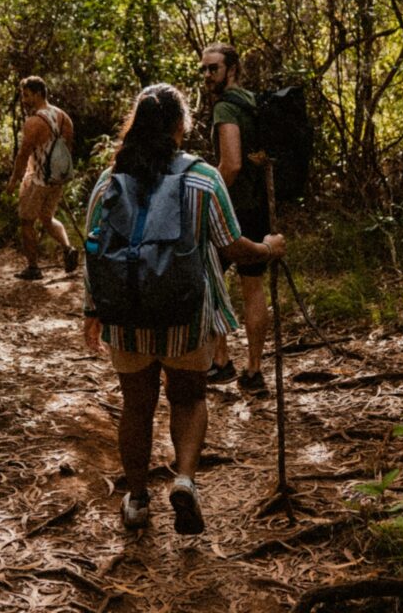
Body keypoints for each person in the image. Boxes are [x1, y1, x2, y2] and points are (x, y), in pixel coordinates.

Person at [83, 84, 286, 534]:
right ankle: (185, 480)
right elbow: (234, 247)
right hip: (186, 317)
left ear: (135, 124)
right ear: (181, 125)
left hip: (128, 318)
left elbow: (92, 251)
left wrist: (91, 310)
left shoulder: (108, 180)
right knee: (189, 396)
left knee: (136, 405)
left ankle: (136, 501)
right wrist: (270, 249)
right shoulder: (203, 177)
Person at [200, 43, 272, 396]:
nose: (207, 76)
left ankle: (221, 362)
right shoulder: (254, 102)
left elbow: (231, 164)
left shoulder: (227, 107)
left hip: (234, 208)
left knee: (209, 277)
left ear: (232, 69)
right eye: (204, 69)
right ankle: (254, 370)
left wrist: (208, 197)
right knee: (253, 286)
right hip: (259, 207)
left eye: (213, 68)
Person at [5, 76, 79, 280]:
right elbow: (67, 149)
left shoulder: (34, 122)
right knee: (46, 218)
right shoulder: (64, 118)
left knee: (26, 221)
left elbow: (23, 154)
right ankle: (67, 248)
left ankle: (33, 268)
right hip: (57, 179)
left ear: (38, 94)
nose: (24, 100)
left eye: (26, 95)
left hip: (38, 180)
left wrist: (14, 180)